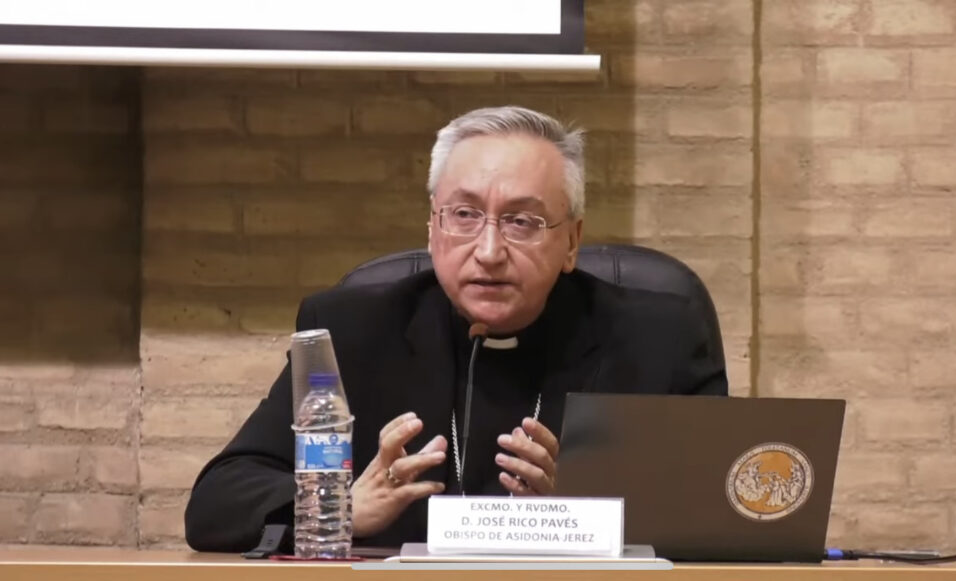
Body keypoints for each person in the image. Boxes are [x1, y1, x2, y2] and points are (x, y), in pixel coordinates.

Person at [184, 106, 728, 552]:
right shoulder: (353, 332)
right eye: (464, 215)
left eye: (522, 221)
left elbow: (725, 517)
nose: (489, 252)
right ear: (432, 226)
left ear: (571, 241)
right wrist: (339, 507)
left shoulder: (659, 337)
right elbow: (216, 503)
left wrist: (590, 511)